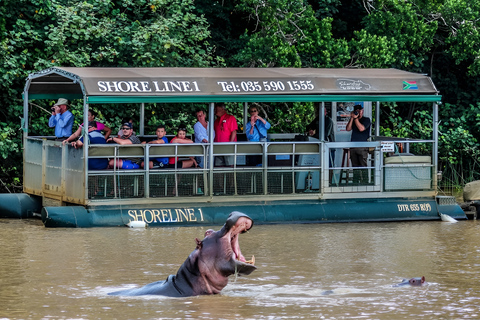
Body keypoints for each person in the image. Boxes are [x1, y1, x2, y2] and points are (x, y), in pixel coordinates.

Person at [346, 104, 371, 183]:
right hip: (353, 146)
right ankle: (355, 182)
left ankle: (365, 182)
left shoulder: (366, 120)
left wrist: (356, 119)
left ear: (362, 111)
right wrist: (352, 118)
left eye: (360, 111)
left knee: (363, 165)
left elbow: (361, 128)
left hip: (363, 147)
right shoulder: (353, 120)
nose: (358, 113)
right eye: (356, 111)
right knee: (355, 166)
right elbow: (348, 128)